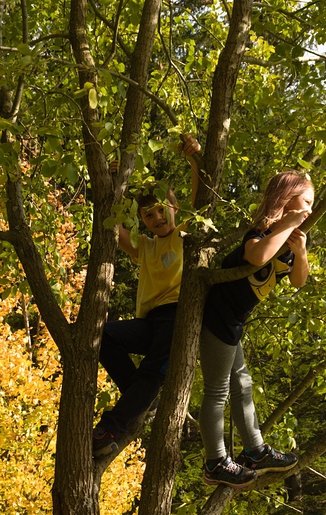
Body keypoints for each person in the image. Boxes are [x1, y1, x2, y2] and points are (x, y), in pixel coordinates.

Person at [199, 170, 313, 487]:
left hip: (234, 320)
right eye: (305, 202)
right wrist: (287, 224)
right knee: (218, 391)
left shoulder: (290, 241)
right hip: (217, 316)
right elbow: (258, 256)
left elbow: (298, 281)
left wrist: (301, 252)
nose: (309, 210)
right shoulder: (261, 231)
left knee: (243, 385)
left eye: (312, 204)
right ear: (286, 199)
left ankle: (255, 452)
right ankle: (215, 462)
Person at [93, 135, 201, 458]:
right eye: (148, 216)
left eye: (160, 210)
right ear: (141, 220)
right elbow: (113, 227)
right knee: (104, 335)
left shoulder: (184, 234)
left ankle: (110, 427)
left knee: (153, 372)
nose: (156, 219)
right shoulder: (146, 246)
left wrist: (194, 158)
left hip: (178, 316)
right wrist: (114, 182)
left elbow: (201, 200)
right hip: (150, 321)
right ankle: (142, 398)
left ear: (174, 208)